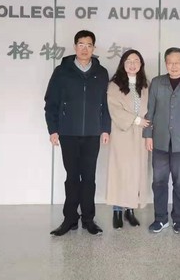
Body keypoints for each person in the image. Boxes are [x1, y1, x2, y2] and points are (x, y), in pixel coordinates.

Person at [44, 30, 111, 236]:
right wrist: (53, 129)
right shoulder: (62, 71)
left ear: (94, 48)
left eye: (89, 45)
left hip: (92, 133)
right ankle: (70, 219)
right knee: (72, 177)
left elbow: (106, 104)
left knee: (89, 177)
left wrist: (105, 129)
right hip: (68, 133)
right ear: (75, 47)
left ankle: (88, 219)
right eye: (81, 44)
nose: (84, 49)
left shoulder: (101, 73)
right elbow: (51, 102)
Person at [143, 47, 180, 234]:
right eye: (170, 63)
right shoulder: (157, 82)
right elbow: (150, 110)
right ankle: (160, 219)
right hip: (160, 140)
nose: (174, 66)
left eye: (177, 62)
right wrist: (147, 135)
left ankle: (178, 220)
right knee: (158, 182)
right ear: (165, 63)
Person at [105, 49, 151, 229]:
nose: (132, 64)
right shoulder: (114, 85)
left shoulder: (145, 85)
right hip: (122, 134)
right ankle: (117, 210)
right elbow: (114, 109)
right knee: (120, 172)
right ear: (123, 64)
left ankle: (130, 210)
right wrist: (136, 120)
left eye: (136, 60)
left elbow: (152, 108)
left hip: (141, 136)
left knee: (136, 172)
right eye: (129, 61)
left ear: (141, 64)